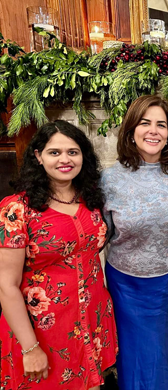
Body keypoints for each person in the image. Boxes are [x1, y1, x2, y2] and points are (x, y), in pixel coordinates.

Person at [0, 120, 117, 389]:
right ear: (38, 156)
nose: (65, 159)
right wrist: (30, 349)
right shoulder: (17, 209)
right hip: (41, 330)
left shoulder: (92, 199)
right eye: (55, 152)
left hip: (91, 319)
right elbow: (6, 286)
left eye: (73, 152)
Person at [100, 95, 168, 390]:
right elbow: (98, 234)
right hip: (128, 285)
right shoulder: (108, 180)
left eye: (161, 125)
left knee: (164, 348)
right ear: (131, 130)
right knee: (138, 355)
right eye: (145, 123)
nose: (154, 131)